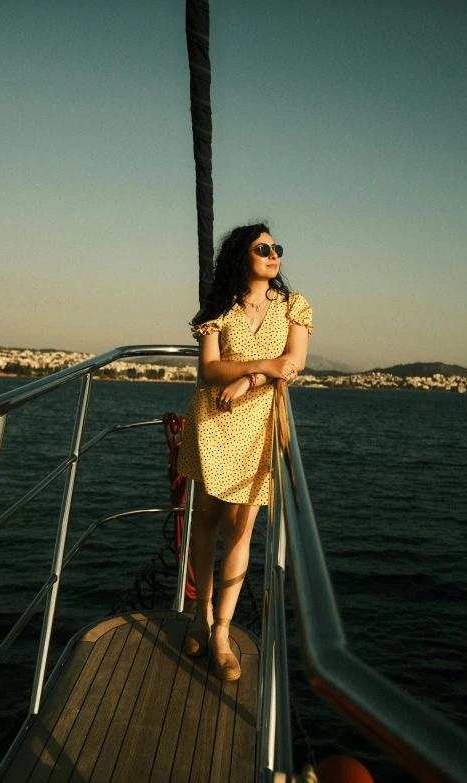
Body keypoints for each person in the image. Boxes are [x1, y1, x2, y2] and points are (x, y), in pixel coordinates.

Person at [177, 222, 312, 680]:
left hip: (259, 424)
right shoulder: (218, 310)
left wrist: (250, 379)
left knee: (242, 527)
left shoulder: (295, 307)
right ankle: (200, 613)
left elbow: (292, 363)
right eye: (263, 248)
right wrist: (261, 366)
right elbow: (209, 368)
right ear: (242, 256)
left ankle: (222, 630)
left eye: (277, 247)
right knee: (207, 521)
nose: (274, 254)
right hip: (214, 422)